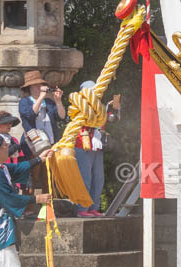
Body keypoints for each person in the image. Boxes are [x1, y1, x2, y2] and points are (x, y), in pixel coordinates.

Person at [0, 133, 52, 267]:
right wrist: (36, 198)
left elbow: (17, 168)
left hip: (2, 220)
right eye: (5, 147)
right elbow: (8, 198)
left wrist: (39, 159)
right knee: (10, 265)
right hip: (0, 223)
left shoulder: (2, 168)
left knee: (0, 265)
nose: (8, 149)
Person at [73, 80, 118, 217]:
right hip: (83, 143)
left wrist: (113, 109)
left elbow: (111, 120)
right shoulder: (79, 105)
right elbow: (89, 120)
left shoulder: (100, 106)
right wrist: (103, 110)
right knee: (85, 177)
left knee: (98, 178)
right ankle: (82, 208)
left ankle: (94, 207)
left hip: (97, 144)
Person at [18, 70, 66, 147]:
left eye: (40, 84)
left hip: (52, 142)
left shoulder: (49, 102)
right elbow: (31, 115)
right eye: (35, 85)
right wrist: (41, 96)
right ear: (29, 87)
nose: (39, 87)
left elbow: (62, 116)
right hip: (35, 145)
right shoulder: (24, 102)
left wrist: (58, 101)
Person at [0, 113, 31, 195]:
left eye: (10, 123)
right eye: (6, 123)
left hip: (13, 179)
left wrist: (27, 180)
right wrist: (14, 148)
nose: (9, 125)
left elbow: (21, 160)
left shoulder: (14, 140)